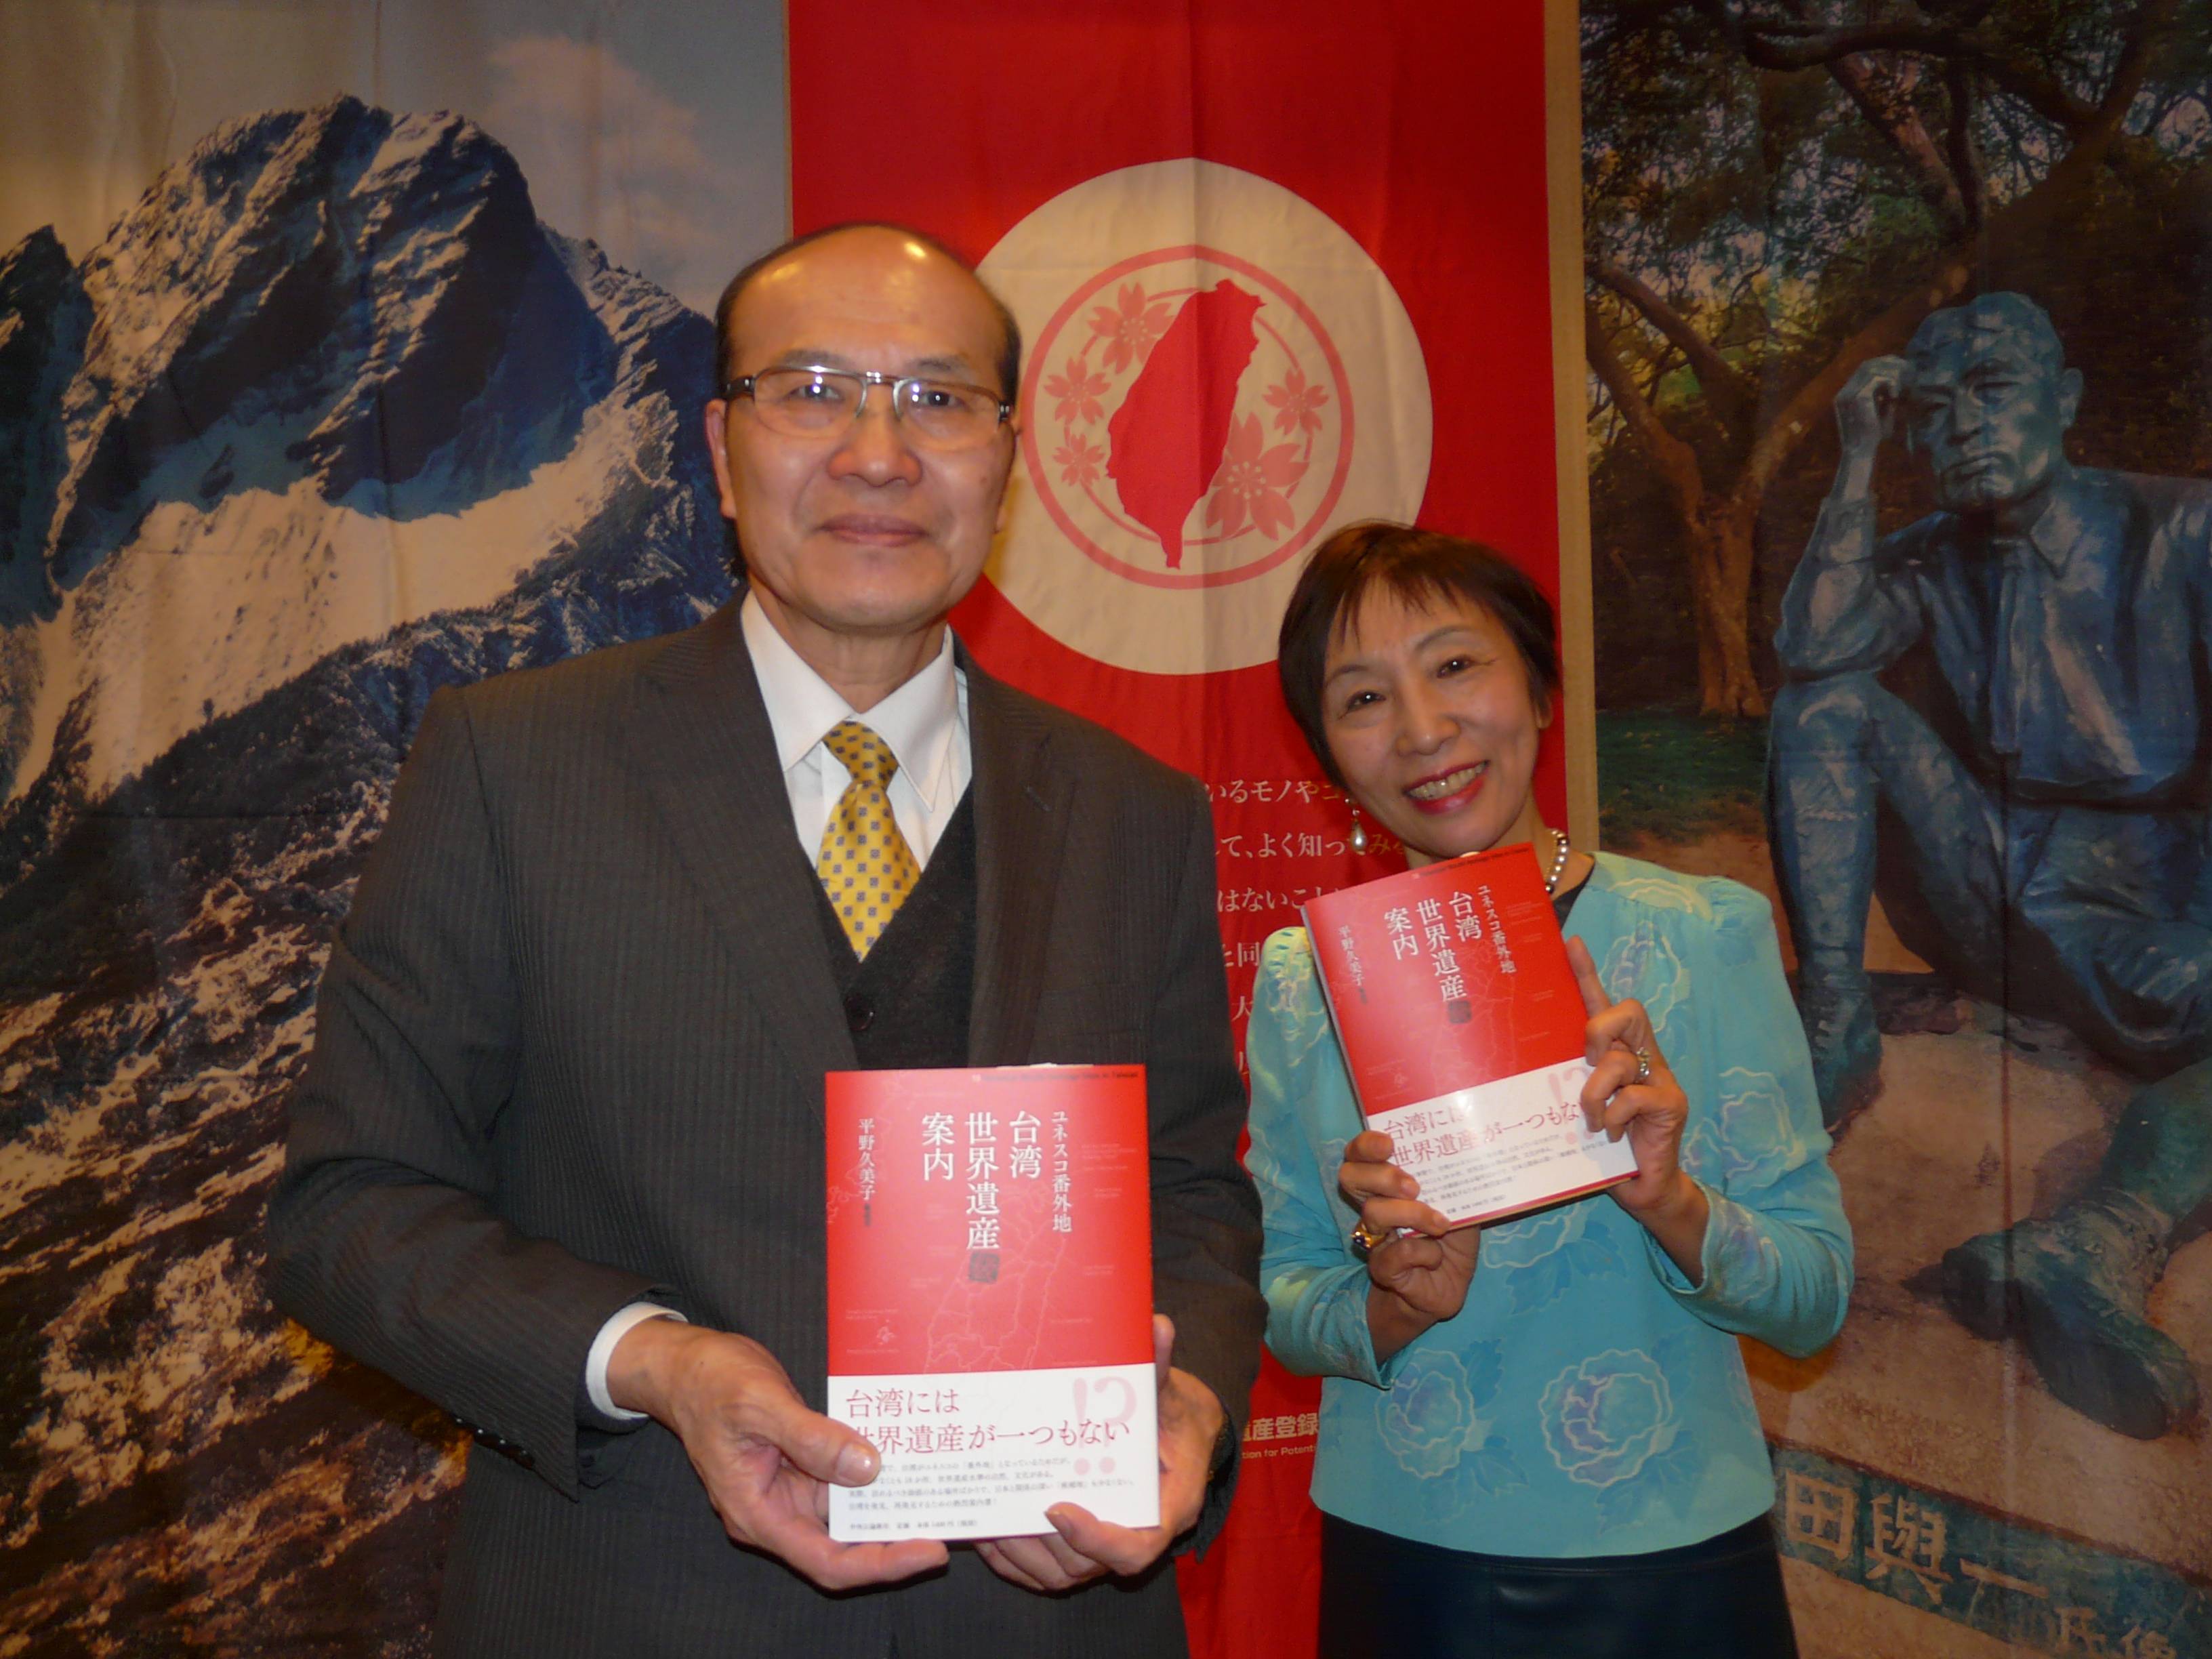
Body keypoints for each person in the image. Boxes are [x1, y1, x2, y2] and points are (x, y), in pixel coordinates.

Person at [267, 223, 1265, 1657]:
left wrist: (1194, 1406)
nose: (878, 453)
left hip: (1050, 1614)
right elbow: (350, 1208)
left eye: (938, 398)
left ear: (1006, 461)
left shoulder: (1136, 811)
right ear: (723, 452)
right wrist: (657, 1365)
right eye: (811, 391)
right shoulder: (515, 766)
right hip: (636, 1607)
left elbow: (1191, 1194)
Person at [1244, 522, 1850, 1657]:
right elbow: (1286, 1301)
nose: (1423, 729)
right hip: (1411, 1563)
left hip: (1678, 1558)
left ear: (1538, 685)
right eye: (1363, 698)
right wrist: (1392, 1296)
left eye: (1455, 665)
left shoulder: (1707, 931)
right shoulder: (1304, 981)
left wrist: (1673, 1201)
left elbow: (1814, 1298)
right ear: (1329, 759)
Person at [1768, 290, 2212, 1438]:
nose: (1962, 423)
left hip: (2145, 910)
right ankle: (1837, 1026)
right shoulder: (1929, 556)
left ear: (2065, 399)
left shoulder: (2183, 531)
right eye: (1930, 407)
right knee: (1823, 708)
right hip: (1983, 887)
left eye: (1994, 387)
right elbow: (1812, 648)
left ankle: (2089, 1244)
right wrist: (1856, 462)